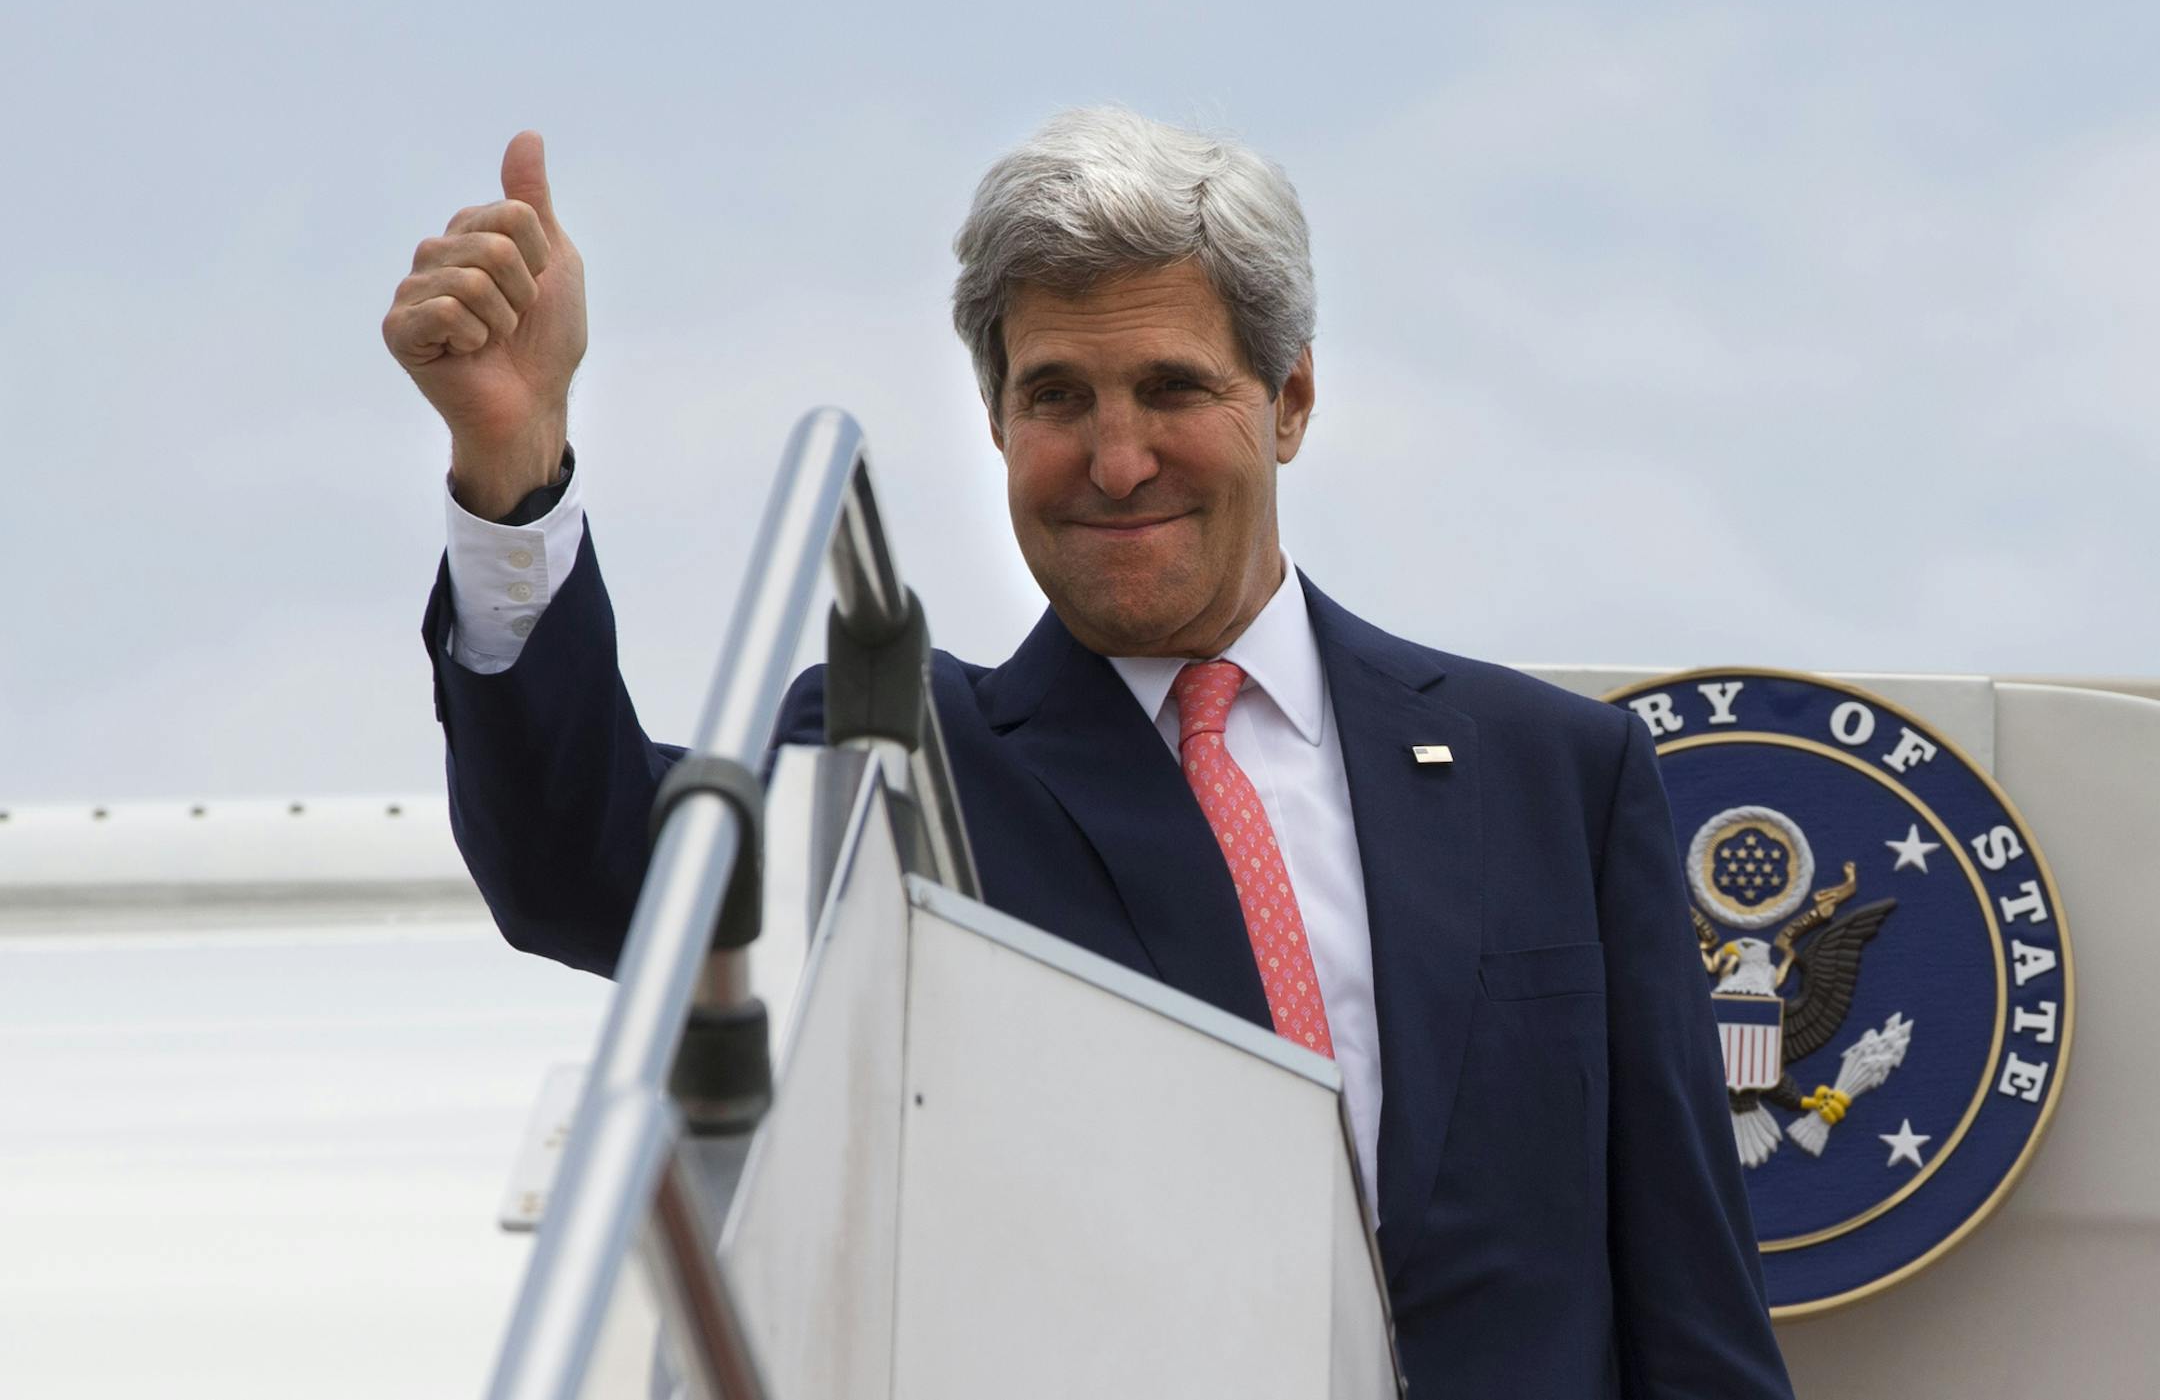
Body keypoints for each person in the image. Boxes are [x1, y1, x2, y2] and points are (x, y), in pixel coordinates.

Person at [384, 110, 1794, 1398]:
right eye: (1057, 398)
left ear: (1290, 401)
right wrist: (515, 466)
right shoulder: (900, 765)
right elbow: (586, 864)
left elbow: (1693, 1309)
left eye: (1172, 387)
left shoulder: (1556, 775)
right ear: (995, 418)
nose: (1117, 459)